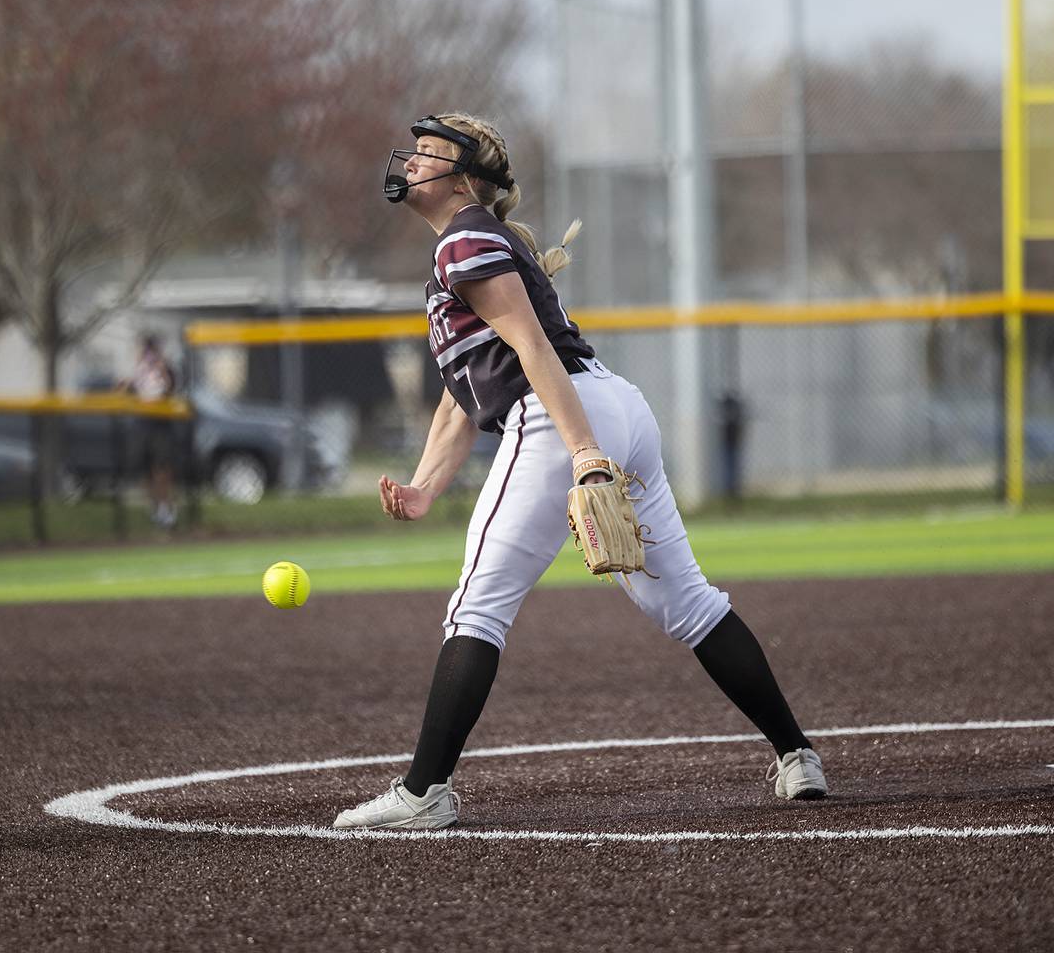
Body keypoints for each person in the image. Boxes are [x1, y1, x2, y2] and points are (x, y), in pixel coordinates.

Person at [333, 113, 826, 831]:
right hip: (617, 405)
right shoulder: (472, 242)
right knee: (687, 602)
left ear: (465, 176)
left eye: (430, 154)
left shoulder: (467, 237)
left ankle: (423, 793)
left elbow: (531, 348)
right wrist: (427, 484)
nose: (411, 162)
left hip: (562, 416)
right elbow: (459, 396)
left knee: (477, 608)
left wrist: (584, 451)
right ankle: (797, 754)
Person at [124, 335, 179, 527]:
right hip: (142, 423)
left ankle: (166, 506)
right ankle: (154, 506)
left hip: (160, 423)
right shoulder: (139, 370)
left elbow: (171, 387)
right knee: (144, 468)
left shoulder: (164, 368)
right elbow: (127, 390)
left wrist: (161, 367)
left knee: (162, 466)